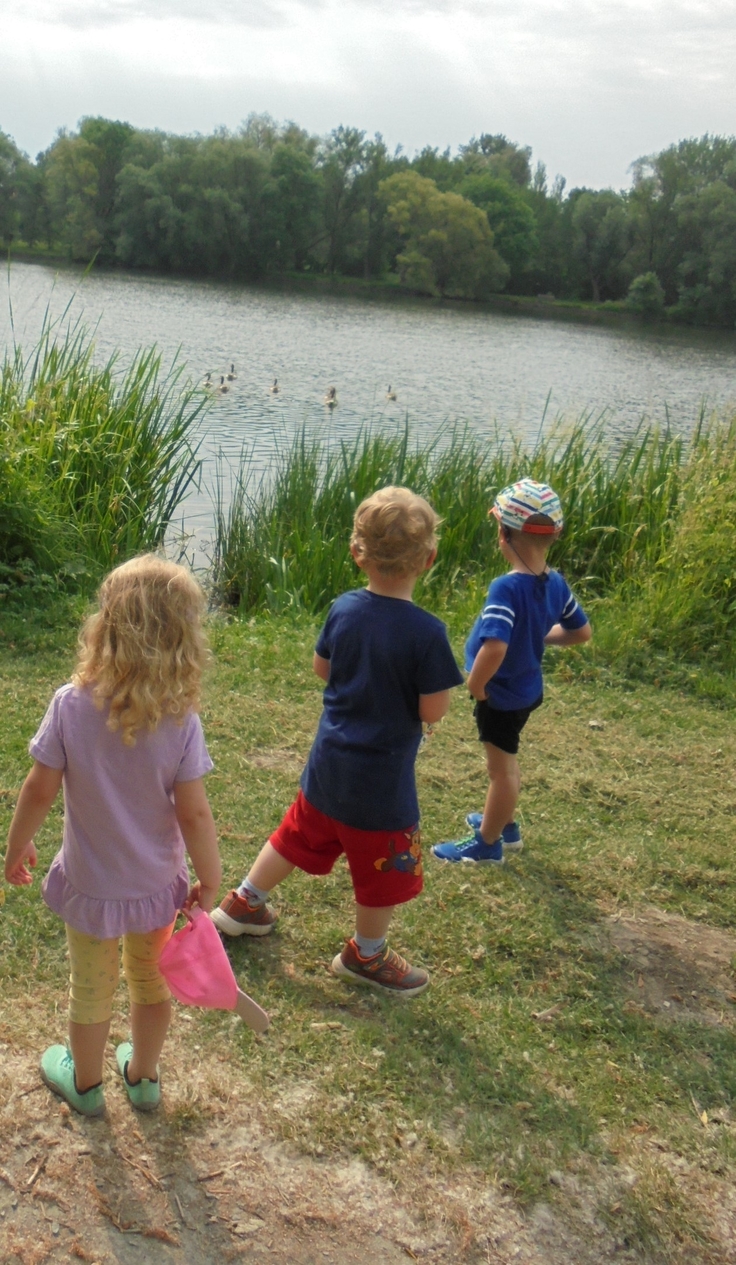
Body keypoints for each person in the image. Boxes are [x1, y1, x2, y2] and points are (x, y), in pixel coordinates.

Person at [212, 487, 464, 996]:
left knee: (296, 834)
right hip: (381, 786)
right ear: (430, 559)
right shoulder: (428, 633)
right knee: (382, 870)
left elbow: (322, 668)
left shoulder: (343, 608)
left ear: (357, 553)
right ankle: (364, 955)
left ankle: (243, 902)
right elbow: (432, 709)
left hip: (328, 766)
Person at [3, 556, 221, 1117]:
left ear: (106, 629)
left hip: (91, 885)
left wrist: (17, 843)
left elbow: (38, 790)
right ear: (182, 640)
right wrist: (212, 876)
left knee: (91, 988)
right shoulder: (180, 720)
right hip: (154, 889)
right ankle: (144, 1078)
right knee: (151, 985)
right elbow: (195, 815)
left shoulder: (70, 705)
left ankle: (87, 1085)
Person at [432, 478, 591, 865]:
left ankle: (489, 843)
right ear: (554, 536)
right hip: (527, 690)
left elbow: (496, 646)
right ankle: (501, 820)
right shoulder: (556, 584)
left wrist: (477, 684)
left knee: (500, 771)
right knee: (507, 760)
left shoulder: (505, 588)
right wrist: (539, 636)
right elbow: (580, 632)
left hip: (501, 695)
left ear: (503, 534)